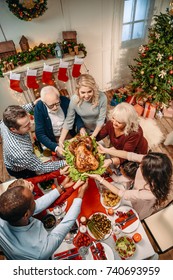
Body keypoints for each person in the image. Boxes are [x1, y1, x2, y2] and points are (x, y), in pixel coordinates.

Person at [0, 178, 88, 260]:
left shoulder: (10, 212)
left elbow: (37, 205)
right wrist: (80, 194)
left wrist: (62, 186)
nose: (36, 200)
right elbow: (66, 224)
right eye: (33, 199)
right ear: (26, 215)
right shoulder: (40, 250)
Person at [87, 148, 172, 220]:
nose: (139, 165)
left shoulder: (150, 194)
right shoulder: (149, 162)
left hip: (141, 206)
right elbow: (129, 155)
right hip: (135, 192)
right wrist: (106, 150)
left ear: (149, 175)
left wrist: (100, 179)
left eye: (141, 167)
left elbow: (122, 194)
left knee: (133, 215)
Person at [0, 102, 66, 179]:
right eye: (26, 125)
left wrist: (34, 103)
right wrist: (64, 162)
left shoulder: (6, 121)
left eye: (29, 121)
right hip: (21, 170)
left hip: (25, 155)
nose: (31, 125)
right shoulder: (21, 152)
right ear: (13, 129)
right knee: (34, 178)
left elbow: (24, 108)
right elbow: (41, 168)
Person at [59, 74, 107, 147]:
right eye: (83, 92)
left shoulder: (102, 97)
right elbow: (69, 120)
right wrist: (61, 140)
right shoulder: (74, 100)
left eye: (89, 91)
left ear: (94, 89)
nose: (87, 96)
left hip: (99, 128)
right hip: (84, 129)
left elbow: (101, 120)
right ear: (78, 91)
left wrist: (92, 137)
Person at [34, 86, 84, 154]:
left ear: (59, 97)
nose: (55, 107)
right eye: (51, 106)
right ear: (44, 102)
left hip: (70, 136)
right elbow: (40, 134)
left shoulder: (65, 101)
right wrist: (55, 147)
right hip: (54, 141)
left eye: (57, 103)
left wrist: (81, 127)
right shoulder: (39, 108)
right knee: (66, 156)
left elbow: (76, 116)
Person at [96, 102, 148, 168]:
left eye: (119, 122)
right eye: (113, 118)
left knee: (126, 170)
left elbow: (126, 155)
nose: (114, 123)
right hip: (120, 149)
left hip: (135, 153)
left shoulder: (135, 133)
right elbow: (100, 135)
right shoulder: (111, 123)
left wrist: (110, 161)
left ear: (128, 123)